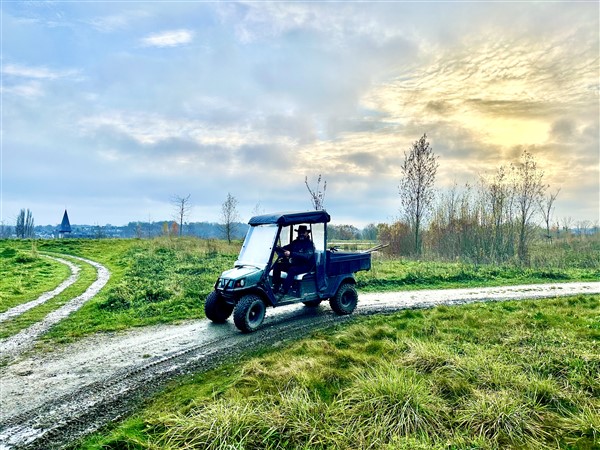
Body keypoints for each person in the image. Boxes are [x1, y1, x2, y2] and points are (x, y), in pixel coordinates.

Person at [272, 225, 315, 295]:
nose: (301, 234)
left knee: (292, 270)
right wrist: (278, 248)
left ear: (307, 233)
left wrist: (291, 253)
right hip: (295, 263)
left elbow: (306, 256)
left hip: (305, 266)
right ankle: (276, 286)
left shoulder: (310, 244)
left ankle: (284, 289)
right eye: (300, 232)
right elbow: (287, 247)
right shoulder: (295, 242)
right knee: (278, 265)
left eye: (303, 232)